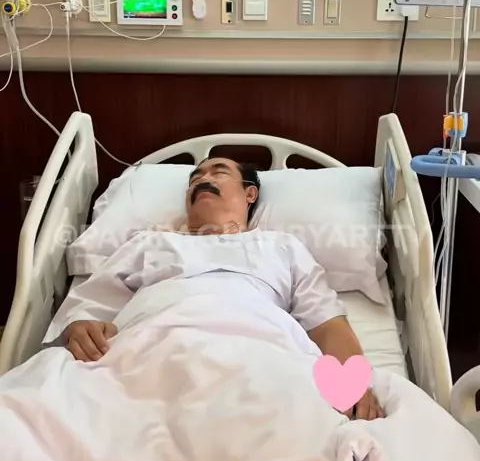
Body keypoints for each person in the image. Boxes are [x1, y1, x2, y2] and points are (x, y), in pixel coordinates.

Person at [58, 157, 385, 421]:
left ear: (250, 194)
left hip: (261, 360)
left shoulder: (282, 247)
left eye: (219, 172)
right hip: (147, 356)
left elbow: (327, 324)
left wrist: (353, 384)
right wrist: (80, 325)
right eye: (195, 178)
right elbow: (92, 301)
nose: (202, 179)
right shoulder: (150, 242)